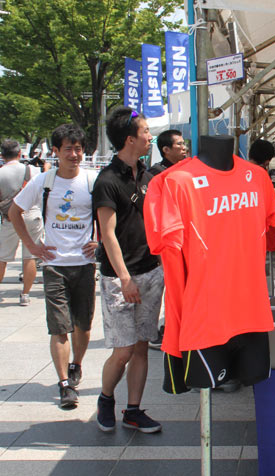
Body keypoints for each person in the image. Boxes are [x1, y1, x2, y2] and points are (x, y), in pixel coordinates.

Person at [9, 124, 98, 409]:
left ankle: (76, 365)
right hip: (54, 265)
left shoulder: (92, 181)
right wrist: (33, 246)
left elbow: (110, 215)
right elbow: (14, 211)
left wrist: (100, 241)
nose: (74, 154)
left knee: (83, 326)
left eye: (78, 148)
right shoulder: (44, 181)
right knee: (58, 327)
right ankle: (64, 384)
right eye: (68, 149)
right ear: (56, 152)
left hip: (84, 264)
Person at [93, 107, 164, 434]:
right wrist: (124, 279)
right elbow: (107, 235)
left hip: (151, 272)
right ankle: (106, 398)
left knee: (140, 347)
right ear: (129, 139)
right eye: (145, 131)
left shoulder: (148, 177)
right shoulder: (107, 181)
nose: (150, 136)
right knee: (122, 350)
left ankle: (133, 409)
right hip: (119, 278)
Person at [147, 129, 187, 349]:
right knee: (168, 290)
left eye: (183, 144)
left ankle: (171, 328)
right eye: (179, 144)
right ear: (165, 149)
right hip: (166, 242)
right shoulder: (156, 175)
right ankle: (162, 331)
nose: (184, 148)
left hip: (183, 240)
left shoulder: (186, 171)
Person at [0, 139, 42, 305]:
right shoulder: (32, 170)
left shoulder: (1, 172)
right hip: (31, 214)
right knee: (29, 256)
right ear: (19, 153)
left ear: (2, 156)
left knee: (2, 257)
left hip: (9, 217)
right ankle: (25, 294)